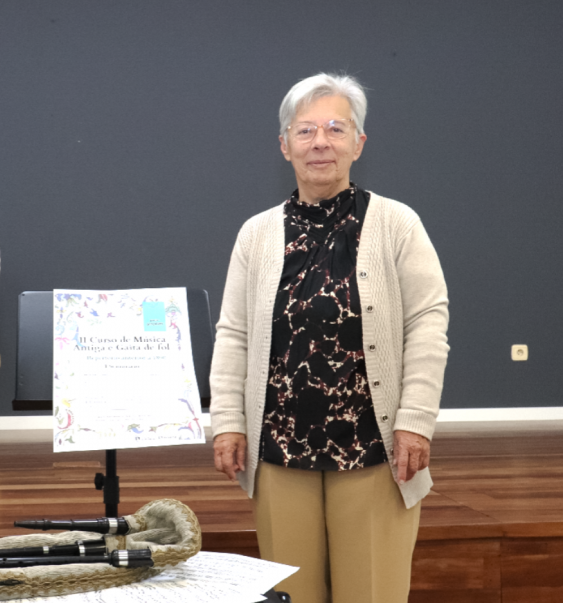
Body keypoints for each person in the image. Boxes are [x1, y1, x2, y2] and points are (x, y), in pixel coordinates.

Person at [210, 73, 448, 603]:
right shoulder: (256, 233)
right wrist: (227, 419)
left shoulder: (397, 224)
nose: (321, 142)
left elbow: (429, 322)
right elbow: (234, 333)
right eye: (306, 130)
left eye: (336, 129)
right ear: (285, 144)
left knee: (373, 591)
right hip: (278, 450)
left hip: (374, 448)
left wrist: (414, 422)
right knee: (289, 594)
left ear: (359, 143)